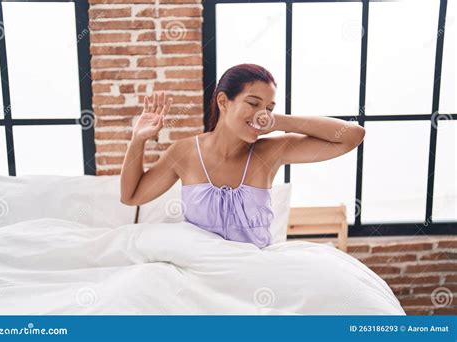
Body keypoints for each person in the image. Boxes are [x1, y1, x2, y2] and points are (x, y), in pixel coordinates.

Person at [120, 63, 365, 248]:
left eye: (269, 107)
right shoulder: (185, 152)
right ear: (223, 101)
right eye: (253, 103)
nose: (262, 114)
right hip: (199, 271)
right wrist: (138, 139)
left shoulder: (270, 152)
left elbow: (351, 136)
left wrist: (279, 121)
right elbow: (132, 196)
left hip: (256, 275)